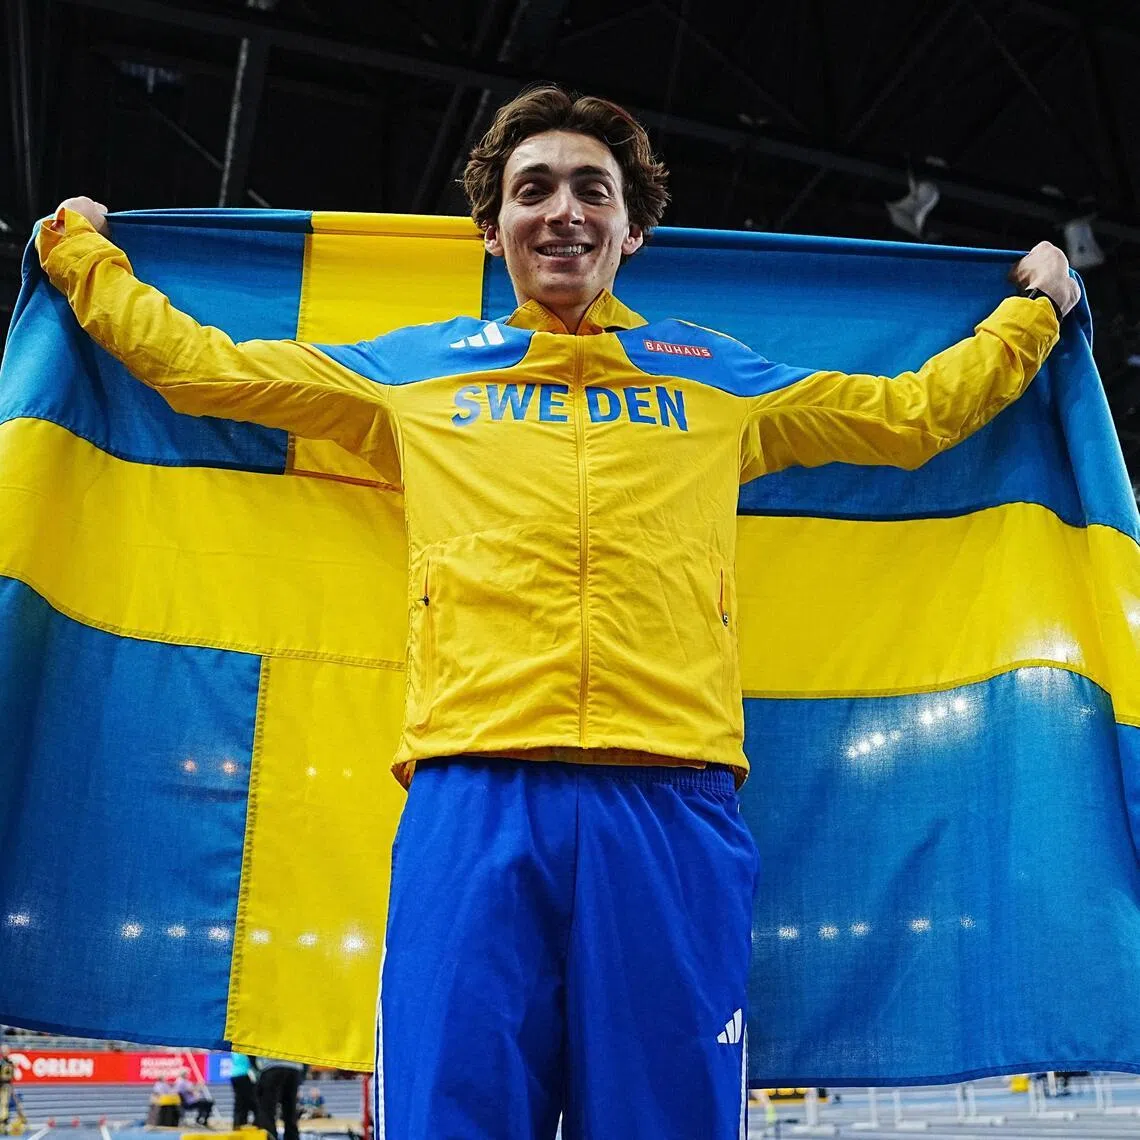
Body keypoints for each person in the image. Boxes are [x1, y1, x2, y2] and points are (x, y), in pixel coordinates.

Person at [37, 84, 1077, 1140]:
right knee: (455, 1116)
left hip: (670, 798)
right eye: (533, 190)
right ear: (494, 231)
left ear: (634, 228)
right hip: (473, 790)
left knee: (665, 1121)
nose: (563, 210)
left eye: (593, 188)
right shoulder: (417, 374)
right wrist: (81, 256)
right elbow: (206, 370)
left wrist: (1032, 313)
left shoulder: (716, 378)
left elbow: (907, 418)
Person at [253, 1058, 304, 1140]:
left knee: (266, 1111)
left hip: (271, 1066)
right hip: (294, 1067)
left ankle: (270, 1137)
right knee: (290, 1111)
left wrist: (257, 1068)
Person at [229, 1053, 258, 1129]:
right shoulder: (246, 1048)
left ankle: (237, 1126)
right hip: (245, 1074)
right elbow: (253, 1061)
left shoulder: (235, 1048)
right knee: (252, 1102)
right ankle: (256, 1125)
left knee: (239, 1103)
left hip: (234, 1074)